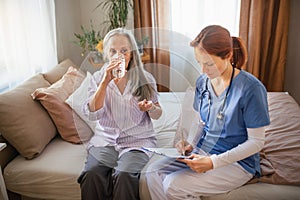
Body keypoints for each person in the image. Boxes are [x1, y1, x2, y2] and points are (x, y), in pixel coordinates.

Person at [145, 25, 270, 200]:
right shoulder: (203, 82)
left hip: (237, 163)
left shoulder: (251, 89)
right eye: (199, 62)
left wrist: (213, 162)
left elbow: (257, 142)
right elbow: (200, 122)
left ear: (228, 56)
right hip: (203, 151)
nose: (203, 70)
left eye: (209, 63)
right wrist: (188, 143)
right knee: (152, 172)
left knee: (173, 185)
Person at [77, 28, 162, 200]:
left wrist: (150, 107)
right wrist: (105, 82)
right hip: (105, 141)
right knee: (92, 173)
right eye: (113, 51)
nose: (119, 55)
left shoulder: (145, 78)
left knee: (124, 175)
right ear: (106, 54)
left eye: (124, 50)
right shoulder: (98, 78)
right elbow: (92, 114)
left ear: (132, 53)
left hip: (137, 141)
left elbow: (158, 114)